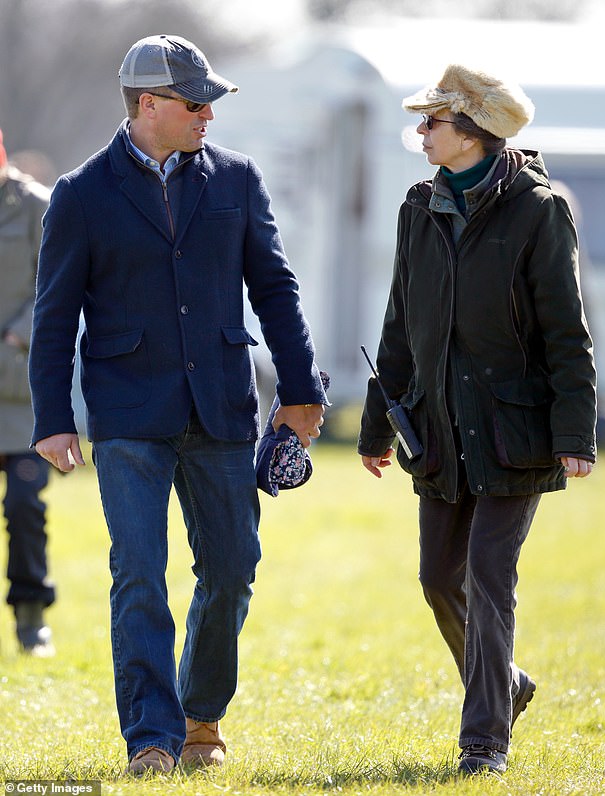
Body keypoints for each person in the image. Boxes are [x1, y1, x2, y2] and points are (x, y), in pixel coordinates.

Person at [29, 34, 327, 775]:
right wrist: (51, 417)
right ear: (149, 104)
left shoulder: (238, 180)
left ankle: (203, 717)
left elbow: (277, 290)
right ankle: (154, 740)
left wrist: (301, 392)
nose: (209, 116)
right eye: (197, 103)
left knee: (231, 569)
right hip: (128, 413)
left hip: (223, 406)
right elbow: (54, 313)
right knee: (138, 573)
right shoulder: (80, 193)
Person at [358, 64, 596, 776]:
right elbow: (400, 320)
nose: (421, 133)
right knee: (439, 578)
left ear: (474, 133)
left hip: (515, 430)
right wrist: (376, 424)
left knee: (491, 577)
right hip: (438, 431)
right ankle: (507, 685)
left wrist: (575, 433)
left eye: (432, 122)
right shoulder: (416, 206)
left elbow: (566, 329)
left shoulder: (540, 208)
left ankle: (483, 743)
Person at [0, 128, 55, 657]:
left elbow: (56, 284)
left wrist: (19, 335)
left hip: (19, 393)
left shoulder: (36, 206)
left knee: (23, 506)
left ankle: (31, 615)